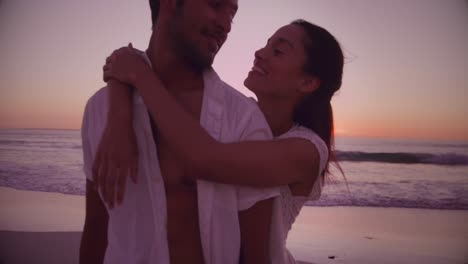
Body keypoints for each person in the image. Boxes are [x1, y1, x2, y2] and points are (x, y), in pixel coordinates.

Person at [97, 16, 344, 264]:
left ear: (307, 82)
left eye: (277, 51)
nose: (259, 53)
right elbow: (126, 67)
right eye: (266, 45)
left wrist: (141, 75)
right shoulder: (239, 116)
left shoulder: (307, 150)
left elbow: (202, 159)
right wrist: (120, 112)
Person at [80, 0, 280, 263]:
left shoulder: (243, 119)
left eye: (232, 13)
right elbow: (96, 225)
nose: (226, 25)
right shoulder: (100, 109)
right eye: (216, 5)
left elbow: (256, 256)